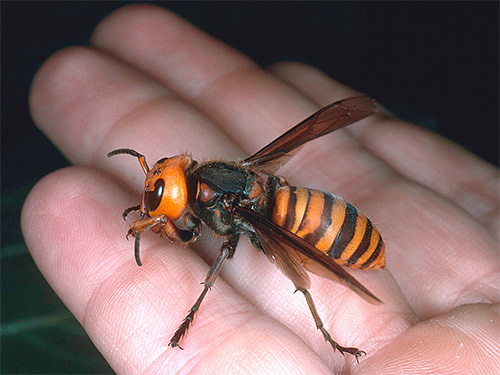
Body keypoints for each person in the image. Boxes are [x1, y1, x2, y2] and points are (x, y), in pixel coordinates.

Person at [23, 4, 499, 374]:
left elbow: (191, 236)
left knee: (297, 273)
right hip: (293, 202)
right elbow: (184, 227)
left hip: (318, 228)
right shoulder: (215, 181)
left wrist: (162, 234)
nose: (158, 200)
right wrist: (155, 217)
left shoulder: (217, 201)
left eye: (159, 195)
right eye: (157, 190)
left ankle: (324, 332)